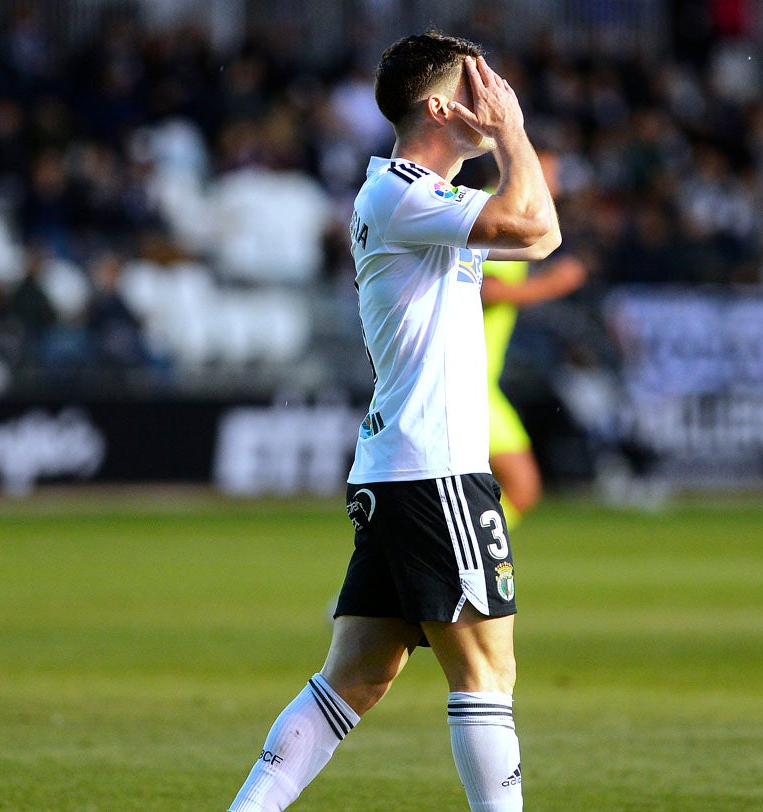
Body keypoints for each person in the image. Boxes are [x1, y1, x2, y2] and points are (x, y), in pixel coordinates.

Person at [229, 30, 560, 811]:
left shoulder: (420, 198)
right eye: (479, 85)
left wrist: (508, 142)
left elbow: (540, 234)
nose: (495, 97)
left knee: (357, 675)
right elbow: (531, 227)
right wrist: (511, 132)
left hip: (400, 468)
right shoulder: (403, 192)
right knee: (486, 673)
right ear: (443, 104)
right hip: (435, 468)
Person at [481, 152, 586, 529]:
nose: (554, 187)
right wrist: (552, 285)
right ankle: (457, 565)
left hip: (477, 383)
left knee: (519, 489)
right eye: (549, 175)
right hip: (463, 383)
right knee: (521, 486)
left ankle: (450, 566)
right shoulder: (492, 213)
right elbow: (483, 289)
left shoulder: (501, 213)